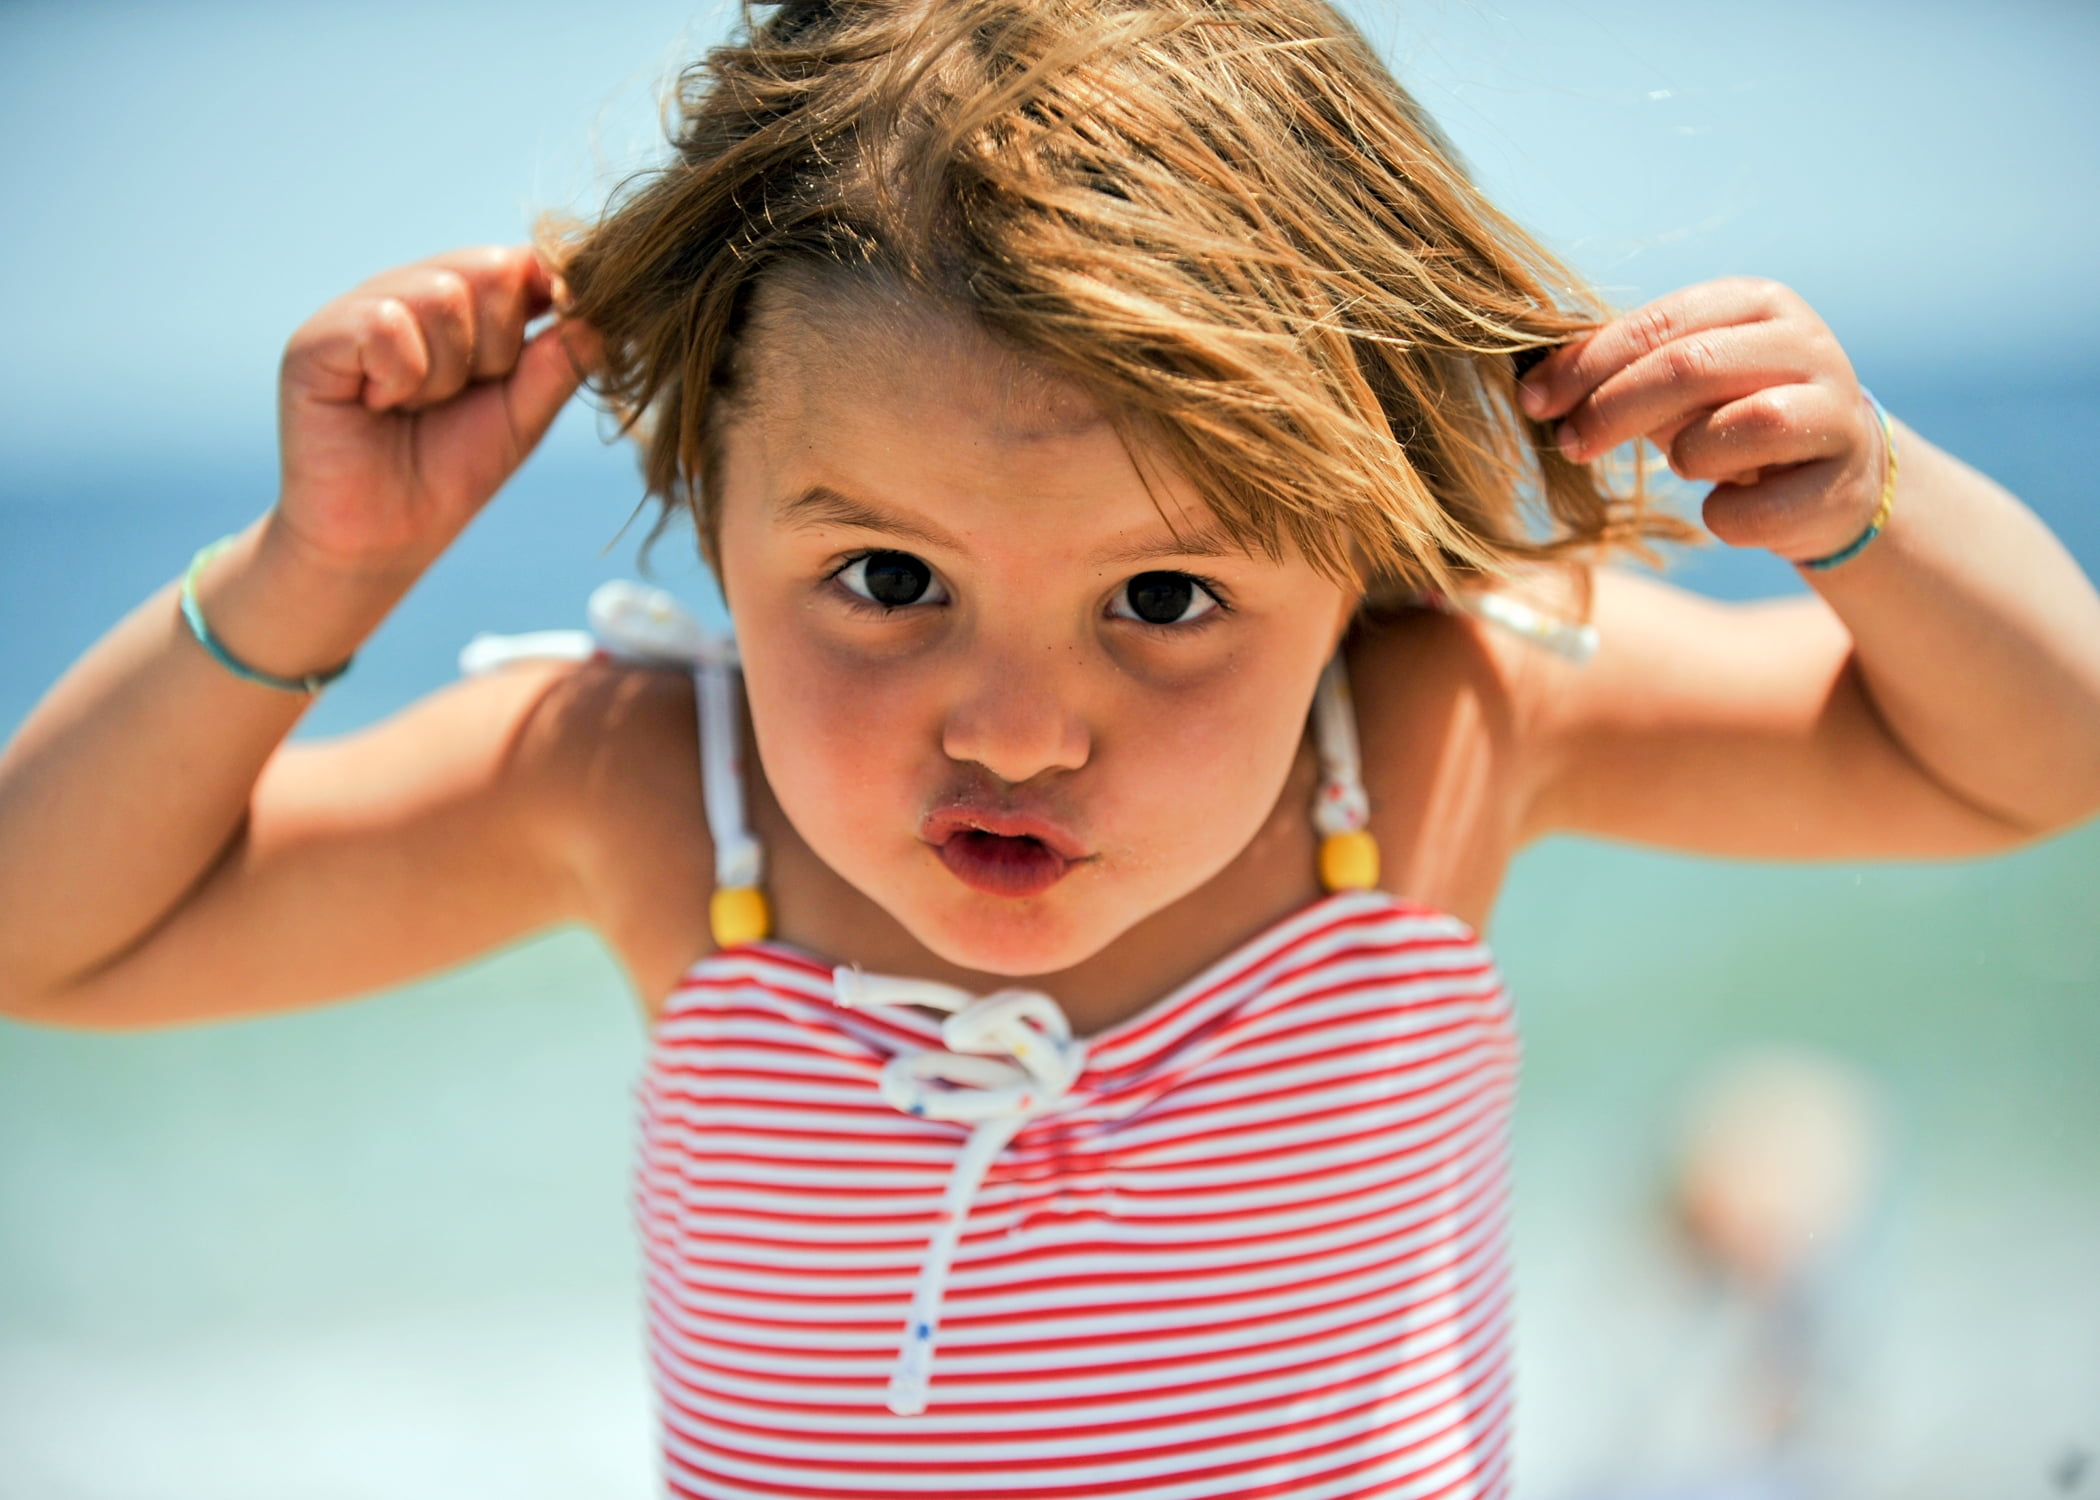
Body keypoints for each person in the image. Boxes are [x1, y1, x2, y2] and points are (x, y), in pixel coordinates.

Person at [3, 0, 2097, 1494]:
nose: (1011, 724)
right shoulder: (654, 791)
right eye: (888, 581)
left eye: (1167, 602)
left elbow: (2024, 755)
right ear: (708, 493)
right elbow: (52, 939)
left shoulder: (1439, 724)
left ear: (1347, 534)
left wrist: (1870, 507)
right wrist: (314, 574)